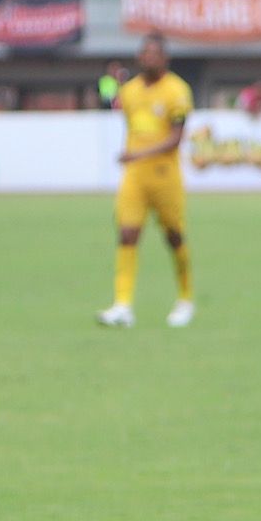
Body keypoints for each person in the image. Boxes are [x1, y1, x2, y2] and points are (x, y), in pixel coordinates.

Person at [98, 33, 194, 330]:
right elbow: (132, 127)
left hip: (164, 176)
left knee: (174, 237)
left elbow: (175, 139)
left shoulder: (177, 90)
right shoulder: (129, 92)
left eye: (154, 53)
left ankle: (185, 298)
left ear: (165, 58)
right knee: (127, 234)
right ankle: (123, 305)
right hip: (135, 178)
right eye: (145, 52)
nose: (148, 57)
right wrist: (135, 157)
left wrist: (138, 153)